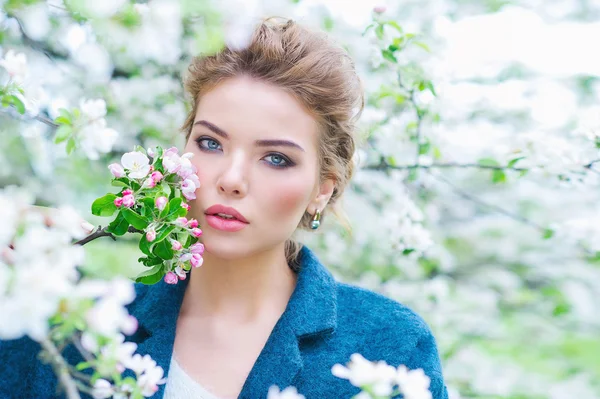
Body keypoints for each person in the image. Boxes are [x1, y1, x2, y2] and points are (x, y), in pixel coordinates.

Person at [0, 17, 448, 399]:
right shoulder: (76, 326)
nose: (231, 179)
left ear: (322, 190)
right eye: (210, 143)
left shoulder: (388, 346)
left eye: (276, 158)